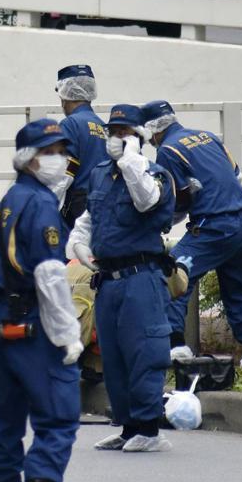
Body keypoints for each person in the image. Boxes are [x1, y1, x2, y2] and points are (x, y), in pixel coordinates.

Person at [0, 119, 83, 482]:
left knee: (1, 423)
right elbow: (50, 274)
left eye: (61, 152)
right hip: (34, 322)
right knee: (57, 418)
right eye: (49, 152)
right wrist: (67, 334)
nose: (59, 160)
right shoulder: (39, 204)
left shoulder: (9, 200)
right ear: (29, 159)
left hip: (1, 321)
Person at [66, 104, 176, 452]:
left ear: (140, 136)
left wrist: (131, 159)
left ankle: (149, 428)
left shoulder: (155, 173)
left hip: (140, 277)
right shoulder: (100, 173)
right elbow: (89, 216)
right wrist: (79, 242)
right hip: (109, 280)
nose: (116, 138)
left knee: (144, 351)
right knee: (112, 357)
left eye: (124, 132)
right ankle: (128, 427)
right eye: (113, 132)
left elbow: (146, 201)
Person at [141, 100, 242, 368]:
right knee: (238, 290)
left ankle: (176, 346)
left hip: (214, 227)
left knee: (173, 274)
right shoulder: (207, 136)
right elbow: (236, 176)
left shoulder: (168, 150)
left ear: (152, 129)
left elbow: (176, 199)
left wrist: (160, 224)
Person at [55, 65, 108, 228]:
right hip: (107, 208)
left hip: (80, 210)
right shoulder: (104, 127)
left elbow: (63, 176)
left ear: (65, 94)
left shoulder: (70, 125)